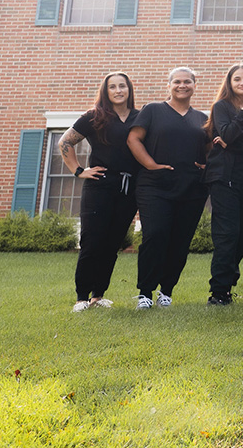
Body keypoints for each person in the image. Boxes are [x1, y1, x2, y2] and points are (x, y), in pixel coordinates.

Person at [127, 67, 209, 309]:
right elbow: (133, 139)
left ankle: (166, 291)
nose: (182, 85)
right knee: (155, 235)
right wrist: (150, 164)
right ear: (169, 85)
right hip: (155, 186)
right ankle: (145, 292)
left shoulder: (202, 118)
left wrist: (207, 165)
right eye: (177, 82)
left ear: (194, 85)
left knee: (180, 241)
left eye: (187, 82)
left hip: (191, 188)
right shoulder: (153, 110)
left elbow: (209, 148)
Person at [61, 72, 140, 312]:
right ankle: (81, 298)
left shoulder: (140, 117)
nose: (118, 91)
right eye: (112, 87)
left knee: (112, 244)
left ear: (129, 89)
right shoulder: (94, 116)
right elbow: (65, 141)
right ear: (105, 91)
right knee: (92, 242)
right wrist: (78, 171)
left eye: (122, 86)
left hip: (128, 189)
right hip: (99, 186)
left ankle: (98, 296)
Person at [204, 63, 243, 305]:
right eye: (237, 79)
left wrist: (234, 144)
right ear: (229, 83)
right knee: (227, 234)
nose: (242, 83)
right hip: (224, 178)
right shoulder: (222, 107)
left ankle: (228, 282)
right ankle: (218, 292)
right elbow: (227, 134)